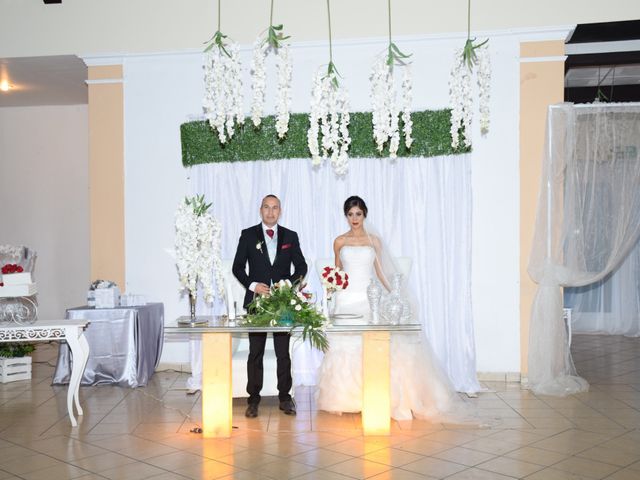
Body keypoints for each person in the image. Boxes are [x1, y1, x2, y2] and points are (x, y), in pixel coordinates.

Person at [317, 195, 468, 421]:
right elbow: (338, 272)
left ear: (364, 214)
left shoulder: (374, 241)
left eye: (358, 213)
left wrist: (395, 294)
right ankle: (345, 398)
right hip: (346, 298)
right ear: (346, 216)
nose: (354, 218)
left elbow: (379, 272)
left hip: (370, 298)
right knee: (344, 343)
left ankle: (380, 395)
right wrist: (331, 289)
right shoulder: (339, 241)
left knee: (378, 341)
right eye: (350, 214)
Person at [232, 194, 307, 418]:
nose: (271, 212)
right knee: (255, 352)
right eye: (267, 207)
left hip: (282, 303)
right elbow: (237, 268)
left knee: (283, 352)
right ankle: (253, 399)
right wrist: (253, 285)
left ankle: (285, 397)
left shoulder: (290, 236)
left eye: (275, 208)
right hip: (256, 304)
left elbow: (301, 266)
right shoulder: (248, 235)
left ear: (280, 211)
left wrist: (288, 285)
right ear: (260, 209)